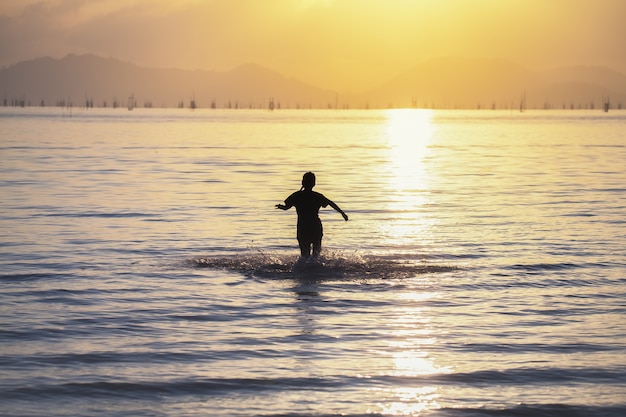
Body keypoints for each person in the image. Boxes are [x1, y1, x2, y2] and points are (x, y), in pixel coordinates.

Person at [276, 172, 348, 258]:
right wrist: (342, 213)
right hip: (315, 226)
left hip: (303, 227)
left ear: (302, 182)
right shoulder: (317, 196)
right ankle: (316, 269)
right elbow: (330, 203)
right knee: (316, 256)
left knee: (304, 256)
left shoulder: (296, 196)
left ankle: (304, 270)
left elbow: (286, 207)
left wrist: (281, 207)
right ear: (314, 183)